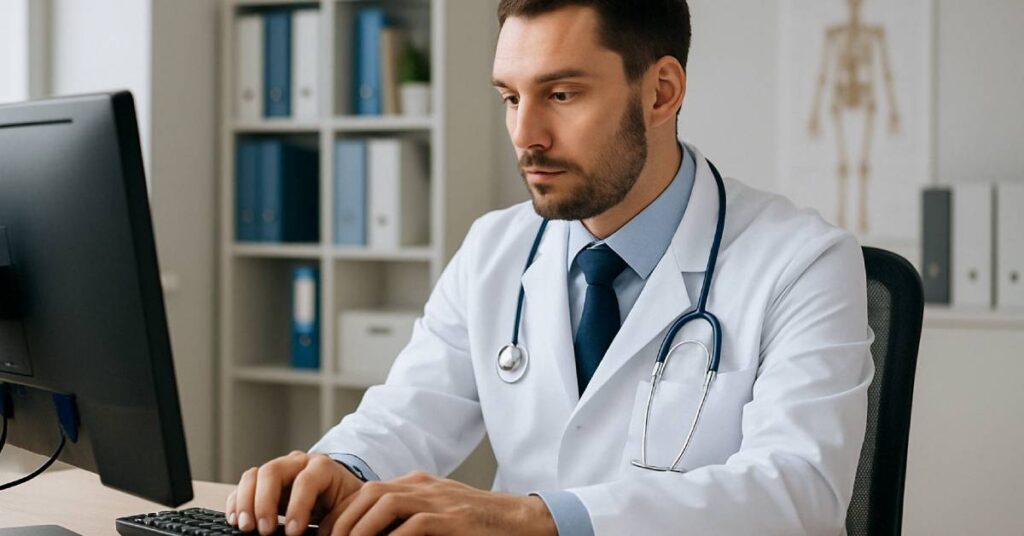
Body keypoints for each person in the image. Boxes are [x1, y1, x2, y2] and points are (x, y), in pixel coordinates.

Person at [225, 1, 874, 534]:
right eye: (511, 97)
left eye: (560, 94)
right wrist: (343, 466)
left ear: (661, 91)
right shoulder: (493, 249)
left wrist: (537, 519)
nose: (525, 133)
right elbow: (409, 411)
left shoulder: (803, 262)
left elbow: (800, 494)